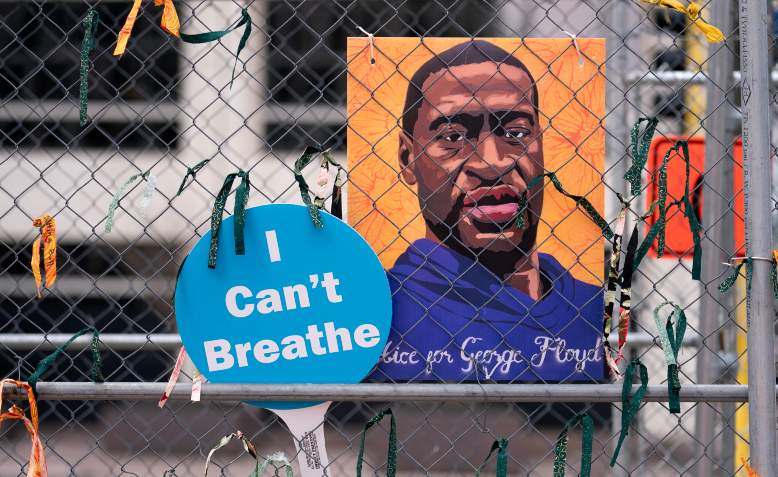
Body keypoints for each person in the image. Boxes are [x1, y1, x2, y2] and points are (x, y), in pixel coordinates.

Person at [372, 40, 604, 382]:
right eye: (452, 136)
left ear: (542, 144)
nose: (492, 162)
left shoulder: (593, 309)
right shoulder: (380, 312)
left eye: (516, 133)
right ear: (408, 158)